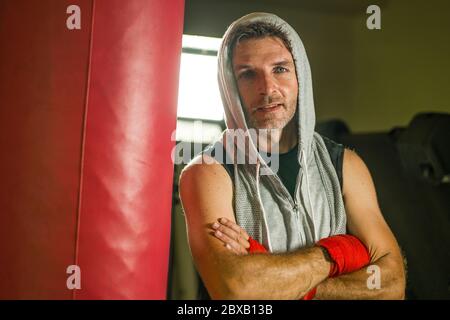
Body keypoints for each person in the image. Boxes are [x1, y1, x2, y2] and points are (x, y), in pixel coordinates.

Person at [179, 12, 405, 299]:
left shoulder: (345, 166)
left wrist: (275, 281)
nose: (267, 88)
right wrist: (340, 254)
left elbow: (391, 285)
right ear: (230, 87)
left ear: (301, 76)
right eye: (248, 74)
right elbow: (238, 291)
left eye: (280, 69)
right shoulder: (208, 173)